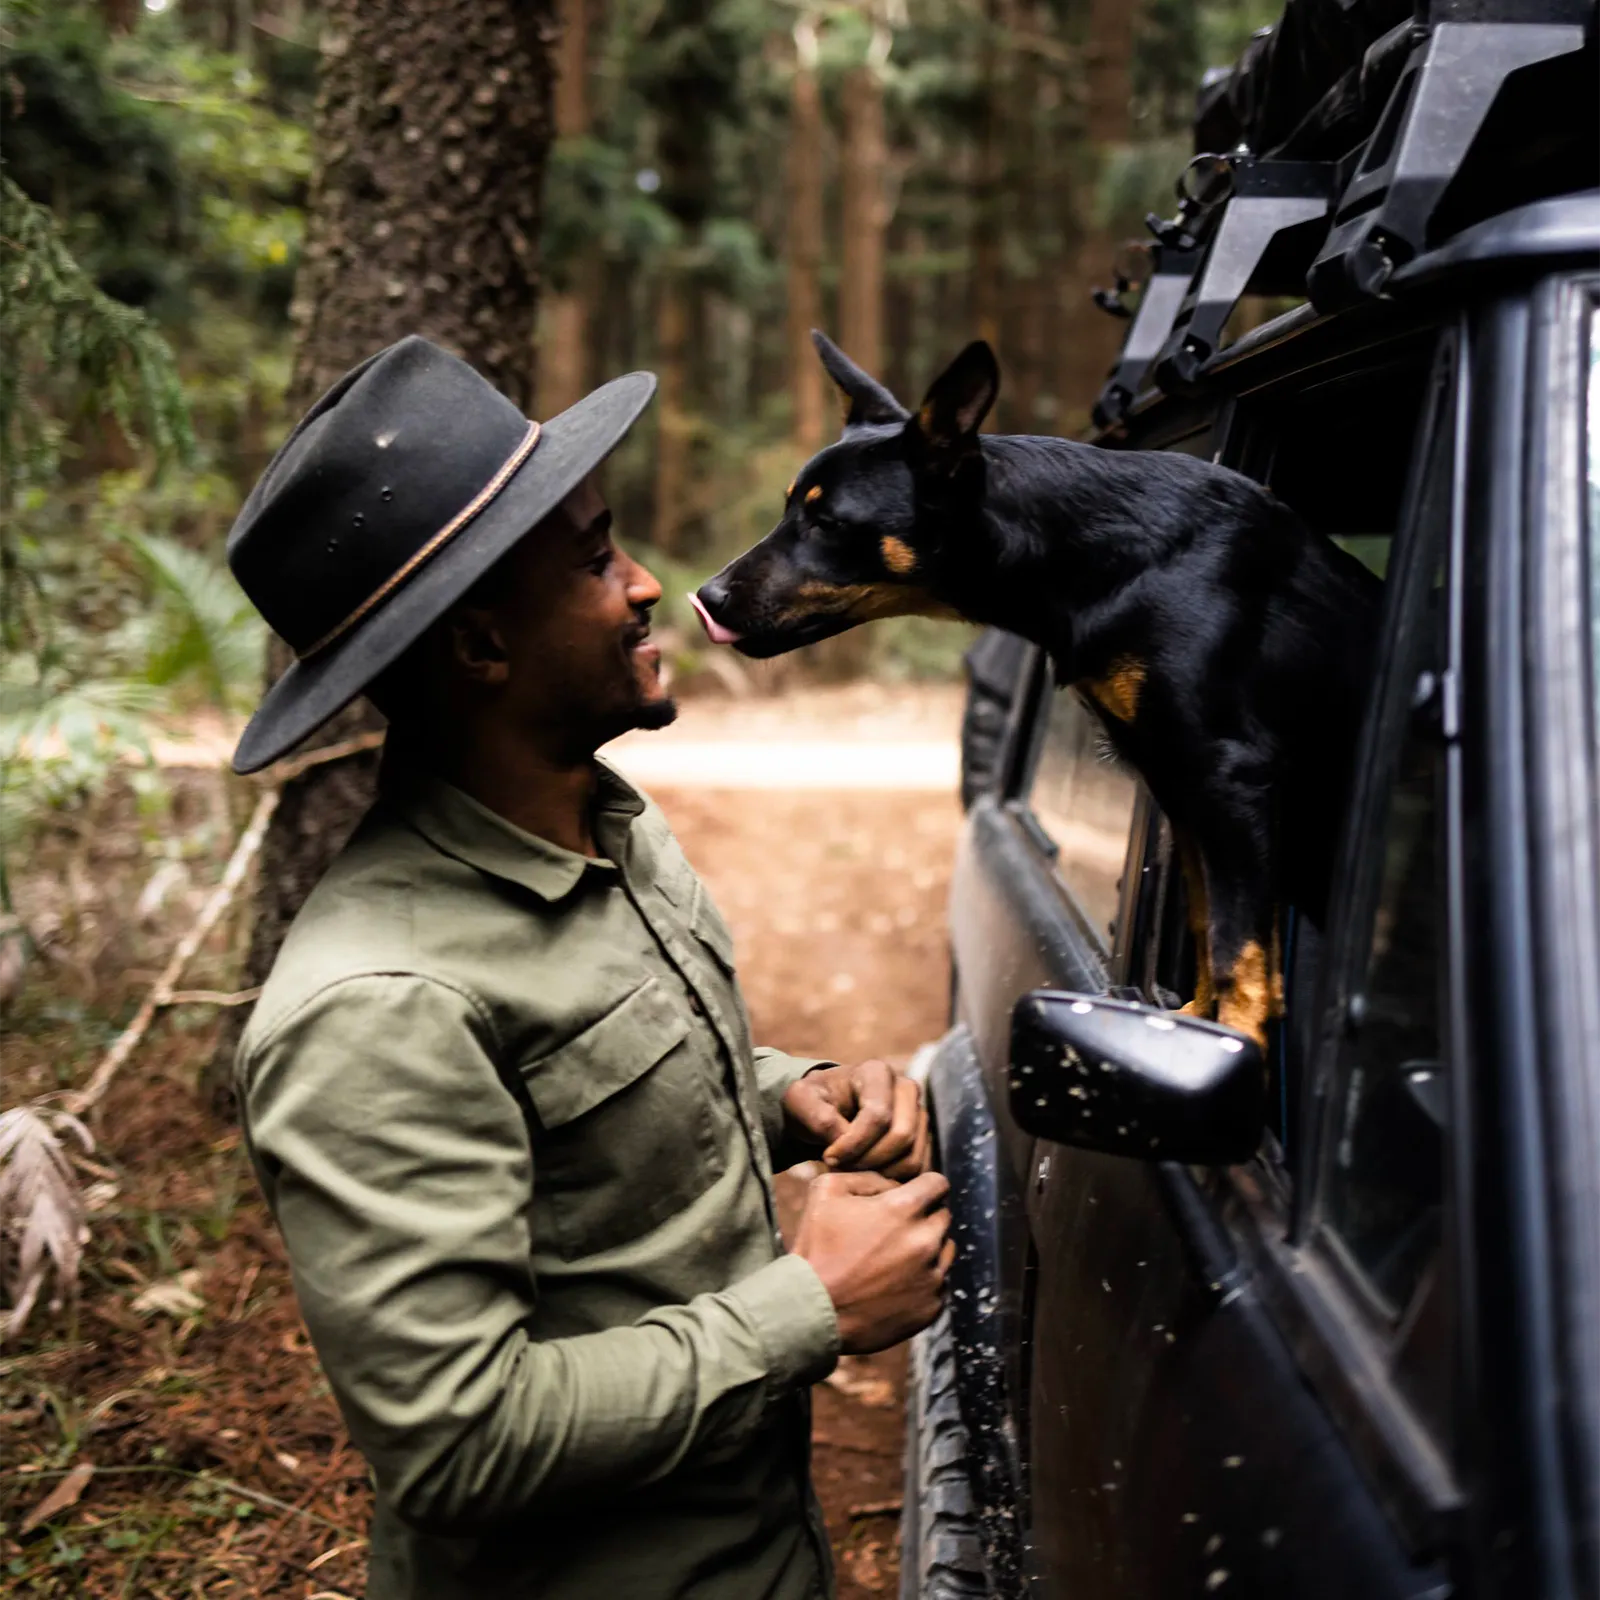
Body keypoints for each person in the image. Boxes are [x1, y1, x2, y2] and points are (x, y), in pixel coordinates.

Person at [226, 335, 953, 1600]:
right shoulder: (378, 1009)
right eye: (595, 557)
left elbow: (593, 1112)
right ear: (479, 647)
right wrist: (813, 1306)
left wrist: (790, 1094)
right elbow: (457, 1442)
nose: (646, 584)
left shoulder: (606, 825)